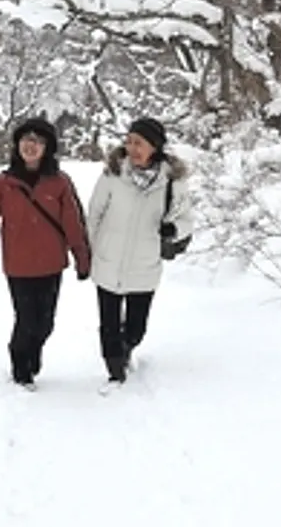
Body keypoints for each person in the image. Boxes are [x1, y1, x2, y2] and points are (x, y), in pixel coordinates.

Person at [0, 117, 91, 388]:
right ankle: (21, 369)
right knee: (25, 319)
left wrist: (82, 257)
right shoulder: (2, 183)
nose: (30, 146)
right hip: (18, 266)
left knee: (45, 324)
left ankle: (32, 355)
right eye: (25, 140)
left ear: (47, 148)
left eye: (38, 141)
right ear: (17, 145)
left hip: (51, 264)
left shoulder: (59, 183)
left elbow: (74, 222)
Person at [87, 117, 192, 385]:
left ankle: (127, 349)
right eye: (130, 141)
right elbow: (95, 213)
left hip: (145, 264)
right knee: (108, 327)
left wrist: (173, 231)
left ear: (154, 147)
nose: (133, 148)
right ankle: (115, 373)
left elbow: (184, 219)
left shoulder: (172, 182)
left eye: (140, 143)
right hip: (108, 260)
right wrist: (90, 250)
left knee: (136, 329)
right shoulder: (112, 173)